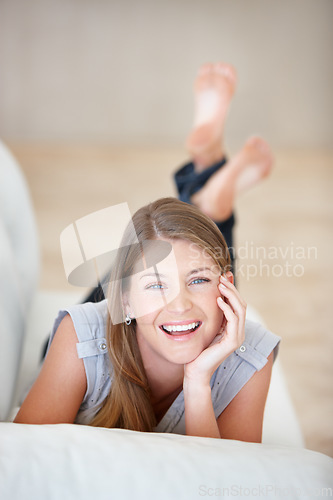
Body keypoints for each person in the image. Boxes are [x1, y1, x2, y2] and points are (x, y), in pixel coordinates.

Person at [14, 63, 279, 441]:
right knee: (175, 254)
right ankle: (209, 195)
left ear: (229, 291)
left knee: (177, 251)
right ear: (121, 300)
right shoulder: (82, 339)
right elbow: (23, 461)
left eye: (200, 282)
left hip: (139, 300)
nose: (180, 304)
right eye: (158, 286)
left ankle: (207, 197)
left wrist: (198, 382)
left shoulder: (252, 356)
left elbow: (223, 483)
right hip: (112, 329)